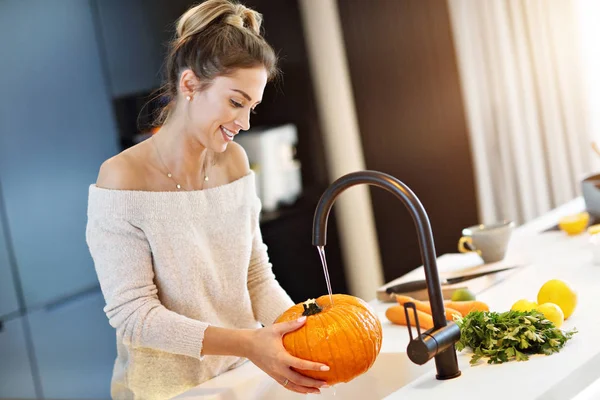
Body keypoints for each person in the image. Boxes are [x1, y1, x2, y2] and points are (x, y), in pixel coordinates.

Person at [85, 1, 329, 398]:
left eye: (252, 106)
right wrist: (251, 342)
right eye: (236, 102)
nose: (245, 122)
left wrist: (311, 332)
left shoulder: (234, 162)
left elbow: (255, 278)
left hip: (239, 377)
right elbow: (135, 316)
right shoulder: (121, 178)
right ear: (189, 85)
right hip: (165, 390)